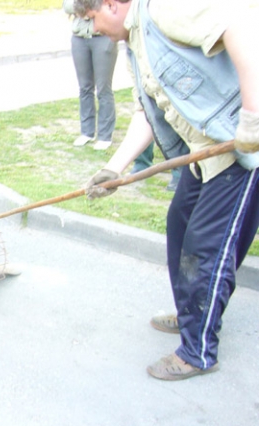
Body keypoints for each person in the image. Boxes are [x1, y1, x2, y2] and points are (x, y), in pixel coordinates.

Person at [75, 0, 259, 380]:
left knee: (205, 247)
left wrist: (253, 118)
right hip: (203, 151)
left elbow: (241, 23)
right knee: (180, 226)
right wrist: (113, 169)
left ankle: (197, 352)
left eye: (91, 19)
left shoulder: (163, 10)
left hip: (239, 148)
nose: (92, 31)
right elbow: (146, 112)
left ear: (110, 4)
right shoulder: (135, 47)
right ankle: (192, 311)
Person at [63, 0, 119, 150]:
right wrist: (86, 7)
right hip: (80, 38)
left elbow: (106, 7)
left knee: (103, 89)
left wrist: (83, 8)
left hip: (103, 36)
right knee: (84, 88)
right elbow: (67, 5)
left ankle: (105, 135)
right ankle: (87, 132)